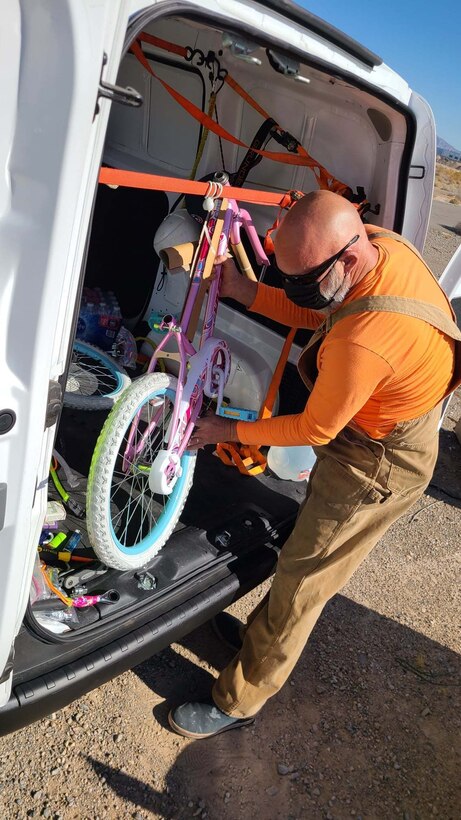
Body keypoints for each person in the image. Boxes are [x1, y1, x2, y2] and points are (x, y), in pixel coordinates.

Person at [167, 190, 458, 739]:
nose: (294, 288)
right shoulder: (377, 249)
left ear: (346, 258)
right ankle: (259, 641)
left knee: (305, 576)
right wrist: (247, 291)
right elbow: (313, 304)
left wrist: (225, 430)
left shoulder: (367, 340)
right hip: (374, 424)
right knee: (301, 557)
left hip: (378, 463)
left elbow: (314, 428)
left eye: (301, 278)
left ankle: (239, 701)